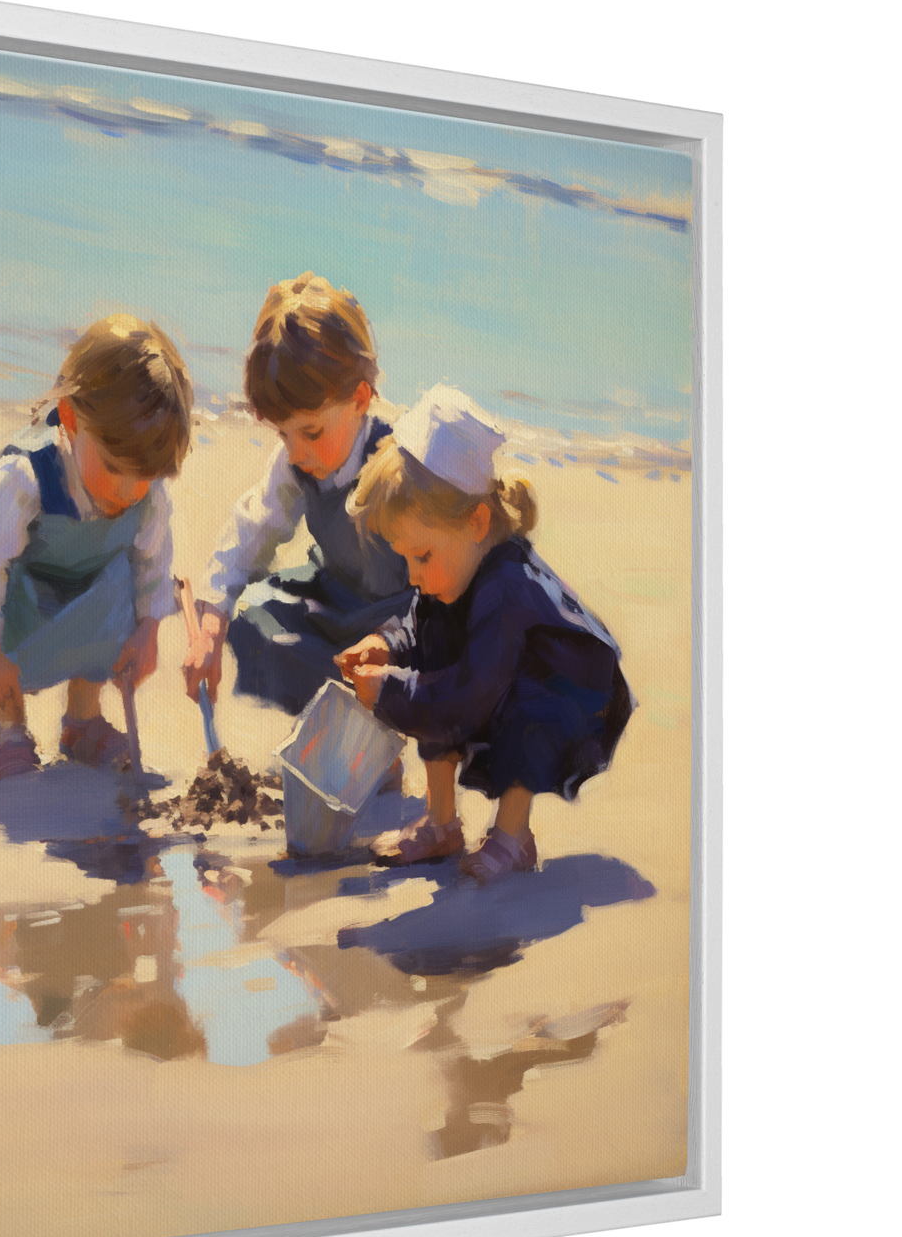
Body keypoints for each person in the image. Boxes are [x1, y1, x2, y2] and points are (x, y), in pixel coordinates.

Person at [336, 386, 633, 880]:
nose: (412, 574)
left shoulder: (508, 591)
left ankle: (513, 835)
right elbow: (416, 622)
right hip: (492, 683)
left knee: (529, 705)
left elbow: (463, 701)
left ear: (476, 523)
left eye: (422, 556)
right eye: (405, 557)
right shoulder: (453, 571)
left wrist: (387, 691)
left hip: (574, 693)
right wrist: (387, 645)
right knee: (430, 644)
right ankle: (441, 822)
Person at [0, 315, 191, 779]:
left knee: (119, 578)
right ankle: (10, 728)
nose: (131, 490)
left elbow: (153, 566)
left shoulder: (145, 494)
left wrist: (148, 629)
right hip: (13, 616)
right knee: (2, 604)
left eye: (147, 477)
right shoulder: (25, 477)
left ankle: (82, 721)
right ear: (71, 419)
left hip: (81, 611)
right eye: (115, 468)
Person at [181, 273, 413, 722]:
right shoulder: (294, 464)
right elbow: (251, 532)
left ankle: (376, 710)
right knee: (248, 616)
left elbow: (443, 582)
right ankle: (347, 709)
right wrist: (211, 626)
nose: (297, 452)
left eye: (311, 432)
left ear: (360, 399)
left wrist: (391, 637)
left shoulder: (397, 464)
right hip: (338, 602)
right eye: (284, 434)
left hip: (402, 619)